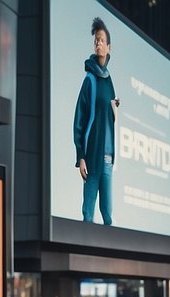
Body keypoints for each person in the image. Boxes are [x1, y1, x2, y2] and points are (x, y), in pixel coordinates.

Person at [73, 16, 119, 225]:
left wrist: (114, 111)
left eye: (102, 40)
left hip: (108, 158)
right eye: (96, 41)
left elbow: (110, 119)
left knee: (108, 215)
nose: (98, 43)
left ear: (109, 47)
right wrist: (80, 156)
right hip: (92, 155)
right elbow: (80, 120)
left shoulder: (109, 81)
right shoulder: (89, 80)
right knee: (88, 212)